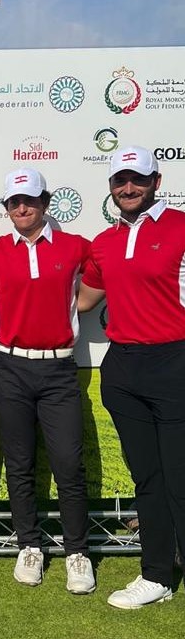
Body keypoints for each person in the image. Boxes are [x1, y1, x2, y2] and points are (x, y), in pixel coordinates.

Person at [79, 145, 185, 609]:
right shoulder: (104, 241)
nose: (128, 188)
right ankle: (157, 574)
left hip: (175, 362)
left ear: (156, 182)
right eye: (120, 180)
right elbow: (83, 300)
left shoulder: (181, 227)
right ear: (110, 186)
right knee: (148, 478)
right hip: (123, 367)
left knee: (180, 478)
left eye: (138, 179)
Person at [0, 168, 95, 594]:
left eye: (29, 200)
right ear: (7, 208)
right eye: (14, 202)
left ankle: (77, 552)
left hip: (59, 369)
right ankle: (29, 545)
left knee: (68, 463)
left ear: (45, 202)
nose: (22, 207)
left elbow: (102, 281)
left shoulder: (75, 246)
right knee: (20, 463)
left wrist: (75, 306)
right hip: (10, 367)